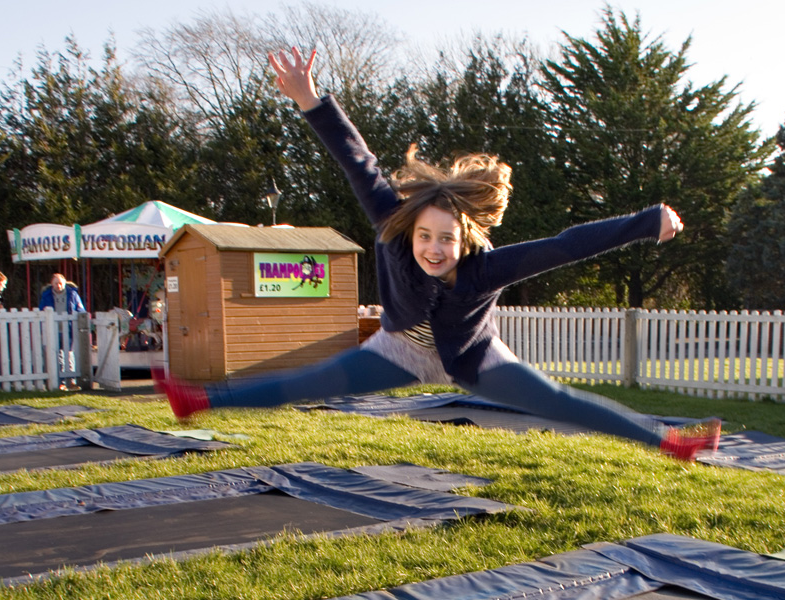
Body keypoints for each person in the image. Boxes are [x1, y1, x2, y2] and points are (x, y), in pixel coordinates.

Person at [154, 47, 719, 461]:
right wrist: (311, 101)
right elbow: (358, 162)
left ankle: (669, 440)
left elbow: (567, 245)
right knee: (308, 383)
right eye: (425, 236)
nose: (432, 248)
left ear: (465, 239)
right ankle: (196, 400)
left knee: (556, 401)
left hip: (472, 357)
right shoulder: (394, 226)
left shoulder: (488, 266)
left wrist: (648, 222)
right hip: (397, 348)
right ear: (411, 229)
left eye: (445, 239)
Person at [39, 273, 86, 391]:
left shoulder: (72, 294)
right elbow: (41, 311)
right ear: (52, 284)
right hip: (53, 330)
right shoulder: (46, 295)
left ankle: (71, 381)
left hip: (69, 329)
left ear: (64, 283)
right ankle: (61, 382)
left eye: (60, 283)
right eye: (56, 283)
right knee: (57, 356)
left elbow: (80, 310)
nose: (58, 286)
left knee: (69, 355)